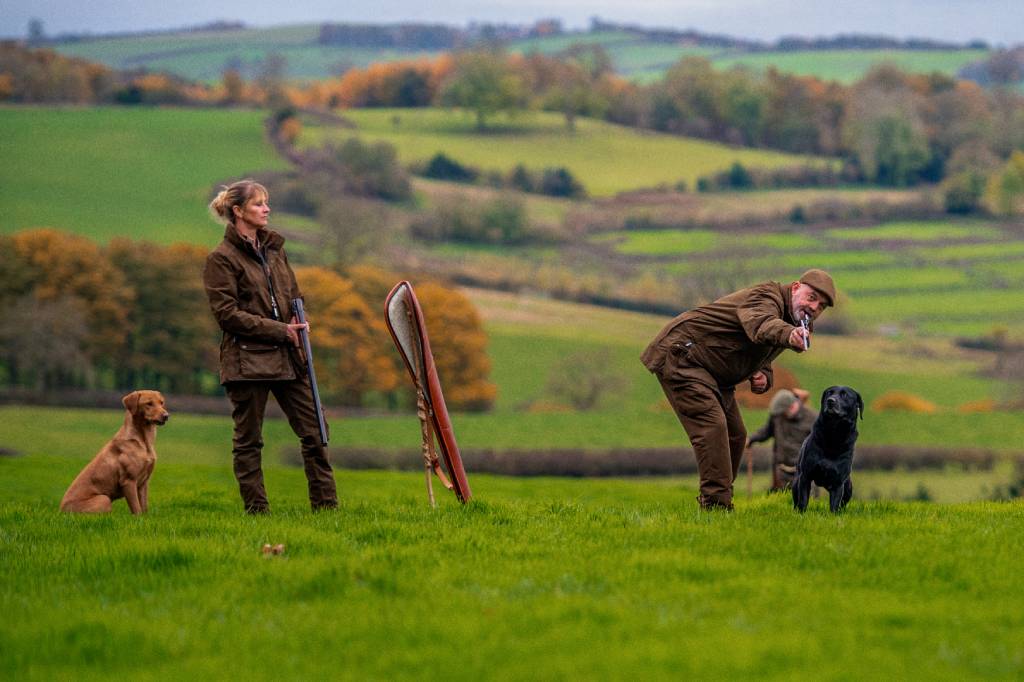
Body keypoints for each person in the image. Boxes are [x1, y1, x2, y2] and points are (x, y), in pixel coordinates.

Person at [641, 269, 835, 510]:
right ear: (795, 287)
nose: (814, 307)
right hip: (684, 355)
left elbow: (762, 349)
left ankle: (718, 498)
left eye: (821, 306)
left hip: (714, 371)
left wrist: (764, 374)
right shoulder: (766, 297)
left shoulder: (796, 319)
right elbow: (760, 324)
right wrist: (788, 334)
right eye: (812, 297)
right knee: (712, 426)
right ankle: (716, 505)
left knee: (736, 435)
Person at [203, 179, 338, 514]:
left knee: (316, 432)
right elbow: (227, 315)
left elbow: (293, 293)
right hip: (247, 361)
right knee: (249, 441)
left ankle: (327, 510)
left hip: (289, 356)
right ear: (238, 211)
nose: (267, 209)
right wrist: (281, 330)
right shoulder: (221, 259)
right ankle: (257, 512)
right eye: (259, 203)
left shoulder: (275, 250)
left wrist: (299, 318)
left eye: (266, 202)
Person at [746, 388, 817, 491]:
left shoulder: (813, 418)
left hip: (805, 472)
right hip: (781, 471)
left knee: (807, 499)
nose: (781, 415)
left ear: (791, 407)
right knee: (780, 498)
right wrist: (751, 439)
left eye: (783, 413)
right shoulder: (777, 415)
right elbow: (767, 431)